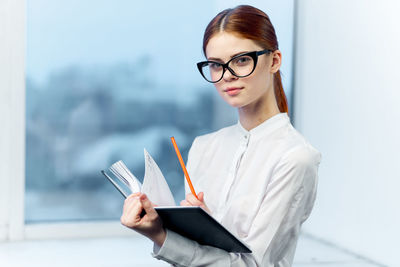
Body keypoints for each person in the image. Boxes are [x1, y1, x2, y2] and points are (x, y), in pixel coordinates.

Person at [120, 5, 321, 267]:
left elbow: (254, 264)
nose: (227, 76)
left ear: (274, 60)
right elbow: (196, 255)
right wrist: (193, 229)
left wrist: (161, 236)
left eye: (241, 60)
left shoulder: (296, 158)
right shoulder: (203, 147)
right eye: (216, 65)